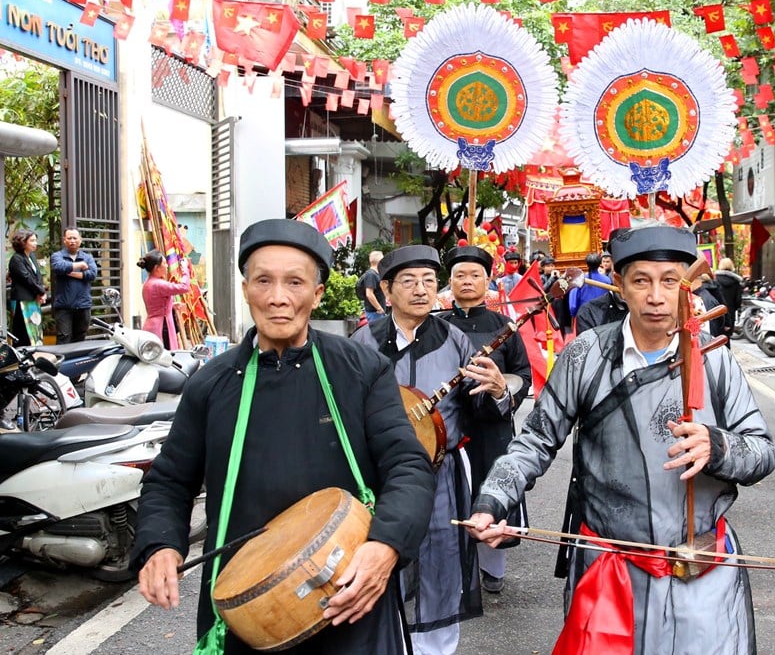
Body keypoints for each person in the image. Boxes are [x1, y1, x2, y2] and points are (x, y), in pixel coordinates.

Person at [466, 226, 775, 654]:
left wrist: (717, 446)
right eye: (641, 280)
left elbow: (761, 451)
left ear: (689, 286)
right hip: (608, 568)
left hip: (701, 570)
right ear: (619, 285)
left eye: (670, 280)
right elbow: (534, 441)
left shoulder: (713, 357)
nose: (656, 296)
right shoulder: (586, 354)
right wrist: (492, 503)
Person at [132, 219, 436, 654]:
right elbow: (169, 480)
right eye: (263, 281)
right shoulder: (212, 383)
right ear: (245, 289)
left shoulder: (361, 370)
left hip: (349, 597)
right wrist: (160, 544)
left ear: (317, 293)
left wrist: (387, 544)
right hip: (248, 608)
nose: (278, 297)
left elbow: (408, 465)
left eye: (295, 282)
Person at [351, 245, 513, 655]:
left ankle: (436, 649)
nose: (421, 290)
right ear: (386, 290)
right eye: (408, 281)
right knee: (378, 558)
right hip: (378, 475)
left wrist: (497, 391)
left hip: (441, 473)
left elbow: (479, 406)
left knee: (440, 561)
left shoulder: (455, 340)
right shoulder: (362, 342)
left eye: (428, 281)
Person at [439, 245, 532, 595]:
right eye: (460, 275)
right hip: (450, 423)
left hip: (493, 425)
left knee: (490, 488)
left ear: (488, 280)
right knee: (452, 491)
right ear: (449, 282)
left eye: (475, 274)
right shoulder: (436, 326)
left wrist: (500, 392)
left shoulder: (504, 326)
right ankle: (452, 566)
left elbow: (522, 373)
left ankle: (493, 567)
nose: (467, 281)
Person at [49, 228, 98, 343]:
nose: (72, 241)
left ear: (80, 240)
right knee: (64, 338)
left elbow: (92, 274)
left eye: (75, 238)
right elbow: (59, 267)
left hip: (83, 305)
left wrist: (69, 272)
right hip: (64, 306)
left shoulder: (88, 257)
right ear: (64, 240)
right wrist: (80, 265)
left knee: (80, 338)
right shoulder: (57, 256)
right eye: (69, 238)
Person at [137, 250, 191, 350]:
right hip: (162, 327)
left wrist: (172, 305)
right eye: (164, 263)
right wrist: (184, 269)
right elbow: (184, 287)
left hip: (151, 326)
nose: (167, 266)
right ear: (156, 268)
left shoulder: (148, 283)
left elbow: (156, 303)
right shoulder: (159, 284)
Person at [7, 229, 47, 347]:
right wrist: (41, 291)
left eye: (35, 240)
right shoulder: (16, 259)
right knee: (23, 332)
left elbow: (37, 276)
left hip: (33, 299)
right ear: (23, 242)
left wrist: (40, 292)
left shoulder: (32, 256)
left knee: (35, 333)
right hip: (22, 300)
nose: (35, 243)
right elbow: (26, 278)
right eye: (32, 240)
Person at [568, 252, 610, 318]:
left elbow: (573, 306)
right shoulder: (607, 280)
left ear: (587, 265)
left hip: (584, 315)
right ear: (600, 264)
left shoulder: (579, 280)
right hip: (603, 315)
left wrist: (575, 315)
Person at [713, 257, 743, 343]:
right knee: (726, 339)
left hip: (716, 312)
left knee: (715, 338)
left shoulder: (715, 280)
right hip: (730, 313)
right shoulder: (736, 282)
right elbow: (738, 301)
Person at [358, 250, 387, 322]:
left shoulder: (375, 274)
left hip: (377, 313)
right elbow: (369, 293)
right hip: (374, 313)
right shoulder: (371, 274)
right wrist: (379, 308)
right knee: (377, 332)